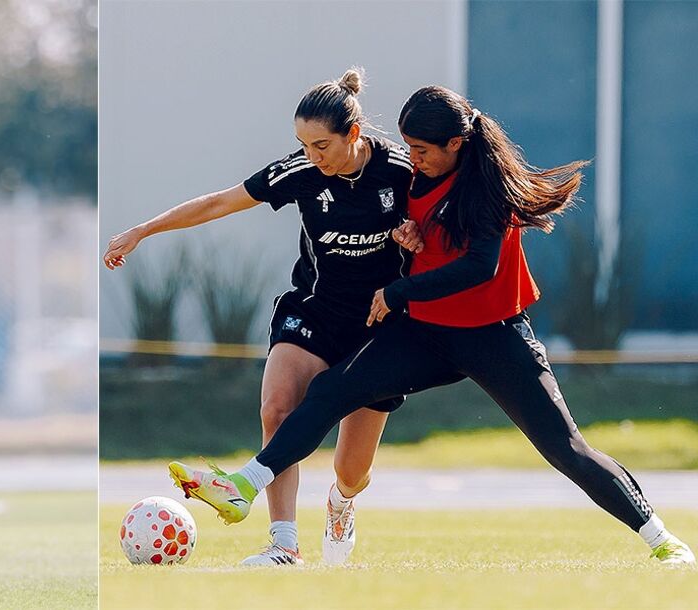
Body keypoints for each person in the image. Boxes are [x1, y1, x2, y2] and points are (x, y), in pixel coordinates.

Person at [168, 85, 695, 565]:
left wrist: (397, 289)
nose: (411, 159)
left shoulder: (487, 190)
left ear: (457, 144)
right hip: (424, 332)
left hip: (492, 334)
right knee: (330, 390)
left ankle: (661, 540)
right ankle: (244, 484)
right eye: (407, 147)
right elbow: (398, 223)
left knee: (566, 449)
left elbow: (477, 268)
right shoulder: (414, 176)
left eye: (421, 150)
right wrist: (404, 238)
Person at [104, 68, 420, 566]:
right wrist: (143, 230)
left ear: (353, 135)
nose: (311, 157)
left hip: (379, 327)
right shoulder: (302, 172)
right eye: (303, 144)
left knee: (352, 470)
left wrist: (417, 241)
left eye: (321, 146)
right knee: (277, 407)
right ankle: (284, 545)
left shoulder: (403, 171)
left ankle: (341, 503)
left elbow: (446, 224)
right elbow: (218, 202)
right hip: (315, 312)